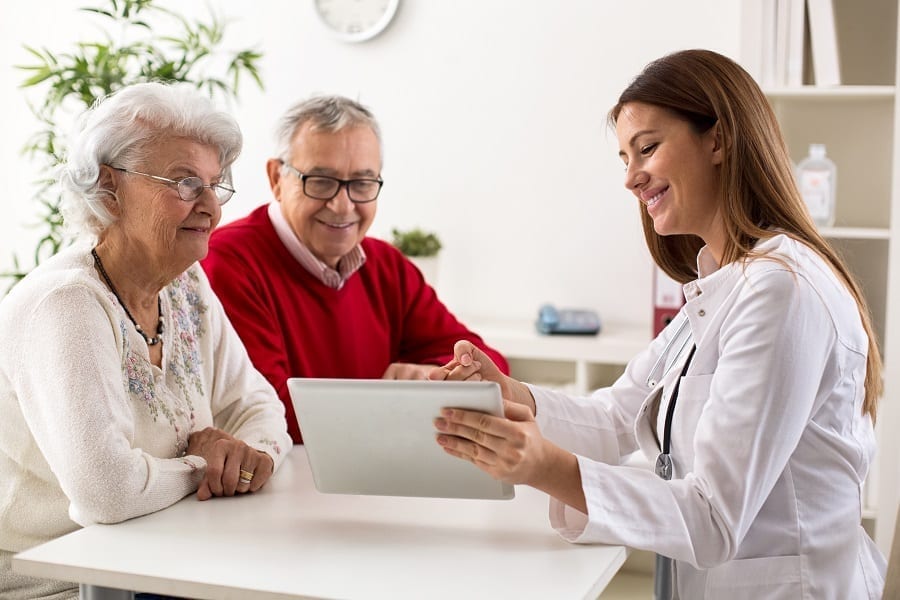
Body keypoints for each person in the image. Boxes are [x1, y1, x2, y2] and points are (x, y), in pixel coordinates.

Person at [430, 49, 886, 599]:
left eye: (646, 148)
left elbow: (714, 517)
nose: (630, 178)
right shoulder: (721, 288)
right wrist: (512, 394)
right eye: (625, 157)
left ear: (718, 140)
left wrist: (544, 466)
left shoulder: (780, 290)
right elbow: (618, 418)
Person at [0, 82, 293, 600]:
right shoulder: (66, 304)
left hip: (169, 564)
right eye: (184, 184)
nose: (210, 207)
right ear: (109, 188)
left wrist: (253, 457)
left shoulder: (186, 286)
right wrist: (204, 463)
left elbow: (257, 405)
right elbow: (106, 493)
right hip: (59, 584)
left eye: (214, 184)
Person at [201, 94, 509, 443]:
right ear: (276, 178)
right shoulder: (227, 262)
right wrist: (411, 402)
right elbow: (271, 417)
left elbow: (490, 368)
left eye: (362, 183)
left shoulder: (386, 265)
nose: (342, 205)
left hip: (375, 477)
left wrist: (432, 378)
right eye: (320, 180)